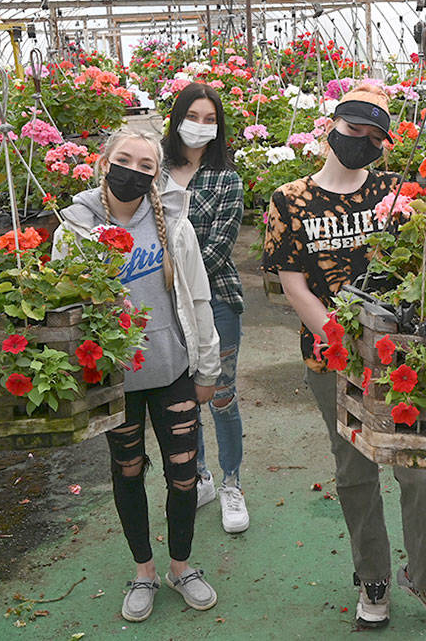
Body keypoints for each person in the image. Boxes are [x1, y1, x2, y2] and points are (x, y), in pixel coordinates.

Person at [263, 82, 426, 635]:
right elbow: (292, 281)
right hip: (332, 357)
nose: (365, 143)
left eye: (377, 137)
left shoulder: (396, 192)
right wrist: (337, 338)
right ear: (333, 126)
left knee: (420, 470)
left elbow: (421, 266)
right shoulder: (289, 199)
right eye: (356, 131)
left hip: (403, 356)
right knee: (355, 469)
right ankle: (371, 574)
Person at [55, 128, 222, 623]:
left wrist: (208, 368)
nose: (132, 170)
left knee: (183, 470)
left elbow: (197, 297)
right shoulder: (76, 229)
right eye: (123, 159)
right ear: (103, 162)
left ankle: (181, 566)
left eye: (145, 165)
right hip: (115, 378)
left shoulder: (173, 225)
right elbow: (62, 310)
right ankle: (143, 571)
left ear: (156, 174)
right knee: (128, 471)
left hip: (172, 368)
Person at [162, 82, 250, 534]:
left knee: (219, 393)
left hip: (214, 298)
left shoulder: (226, 179)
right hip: (161, 305)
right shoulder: (154, 172)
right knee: (181, 395)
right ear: (177, 119)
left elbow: (218, 248)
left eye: (209, 119)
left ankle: (233, 482)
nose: (200, 126)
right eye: (192, 116)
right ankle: (200, 477)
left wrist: (169, 275)